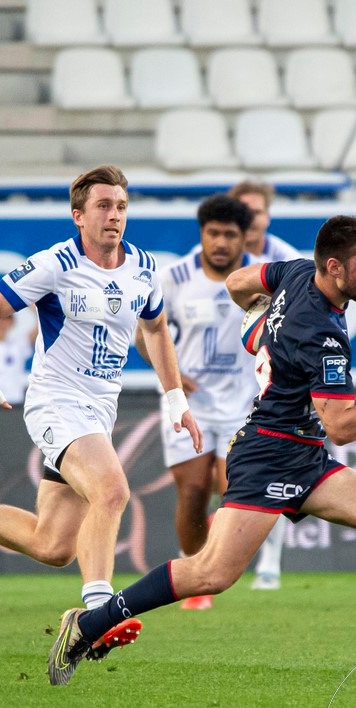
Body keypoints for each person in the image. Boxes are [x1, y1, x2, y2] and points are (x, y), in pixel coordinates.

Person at [45, 215, 356, 685]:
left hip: (302, 454)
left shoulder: (297, 271)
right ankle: (88, 624)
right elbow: (342, 427)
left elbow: (238, 282)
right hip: (269, 455)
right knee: (210, 574)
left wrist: (260, 324)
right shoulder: (322, 337)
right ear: (334, 267)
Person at [0, 165, 202, 660]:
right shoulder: (57, 263)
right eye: (103, 206)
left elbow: (156, 328)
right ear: (78, 215)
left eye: (121, 207)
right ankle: (98, 612)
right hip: (56, 402)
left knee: (53, 544)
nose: (114, 216)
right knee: (112, 490)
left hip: (97, 413)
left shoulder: (142, 266)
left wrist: (175, 399)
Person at [143, 193, 287, 610]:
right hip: (190, 403)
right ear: (202, 234)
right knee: (191, 492)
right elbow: (144, 333)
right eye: (213, 233)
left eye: (230, 235)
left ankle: (237, 563)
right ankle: (194, 580)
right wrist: (169, 374)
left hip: (244, 403)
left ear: (245, 237)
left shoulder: (262, 278)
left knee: (233, 489)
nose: (220, 242)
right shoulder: (174, 277)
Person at [188, 180, 302, 591]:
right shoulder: (212, 260)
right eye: (244, 211)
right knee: (219, 481)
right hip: (219, 388)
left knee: (268, 471)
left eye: (257, 211)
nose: (250, 219)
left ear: (267, 216)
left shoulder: (285, 259)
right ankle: (211, 560)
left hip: (270, 382)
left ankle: (269, 562)